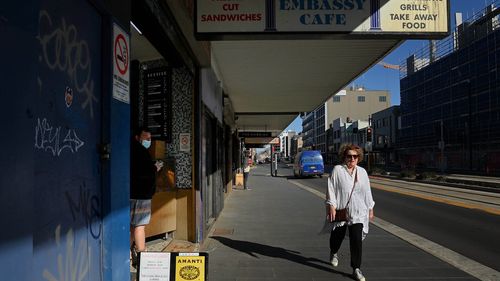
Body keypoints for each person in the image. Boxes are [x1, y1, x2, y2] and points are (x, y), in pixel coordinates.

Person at [324, 144, 375, 281]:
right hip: (342, 210)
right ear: (344, 157)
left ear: (359, 158)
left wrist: (370, 208)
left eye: (355, 156)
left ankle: (356, 268)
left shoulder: (362, 172)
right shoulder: (337, 170)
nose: (352, 159)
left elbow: (367, 192)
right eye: (349, 156)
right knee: (337, 237)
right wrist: (332, 206)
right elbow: (331, 189)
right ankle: (333, 251)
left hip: (359, 212)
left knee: (356, 240)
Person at [130, 127, 162, 267]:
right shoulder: (142, 152)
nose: (148, 141)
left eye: (149, 139)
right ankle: (142, 255)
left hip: (129, 194)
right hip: (142, 195)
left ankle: (126, 254)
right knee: (139, 226)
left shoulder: (128, 150)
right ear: (137, 137)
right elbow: (146, 173)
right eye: (145, 138)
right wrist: (155, 168)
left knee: (131, 226)